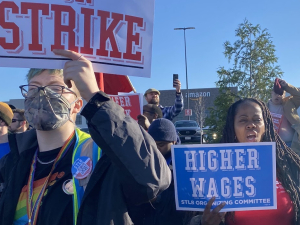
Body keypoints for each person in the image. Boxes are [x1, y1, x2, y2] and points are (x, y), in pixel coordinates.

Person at [0, 49, 171, 225]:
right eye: (34, 88)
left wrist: (95, 97)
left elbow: (154, 180)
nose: (42, 95)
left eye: (55, 88)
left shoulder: (102, 157)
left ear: (77, 105)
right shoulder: (13, 160)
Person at [191, 98, 300, 225]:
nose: (251, 124)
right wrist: (203, 223)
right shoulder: (216, 171)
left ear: (266, 126)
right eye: (243, 120)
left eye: (257, 119)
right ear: (233, 128)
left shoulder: (287, 165)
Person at [129, 118, 194, 225]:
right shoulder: (143, 160)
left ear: (173, 142)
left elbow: (186, 200)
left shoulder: (184, 163)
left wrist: (158, 198)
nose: (156, 150)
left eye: (161, 145)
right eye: (152, 145)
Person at [267, 78, 300, 154]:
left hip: (292, 145)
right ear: (271, 93)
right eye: (275, 93)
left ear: (284, 95)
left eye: (280, 94)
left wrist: (287, 86)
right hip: (273, 146)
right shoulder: (264, 108)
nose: (277, 96)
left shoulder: (289, 104)